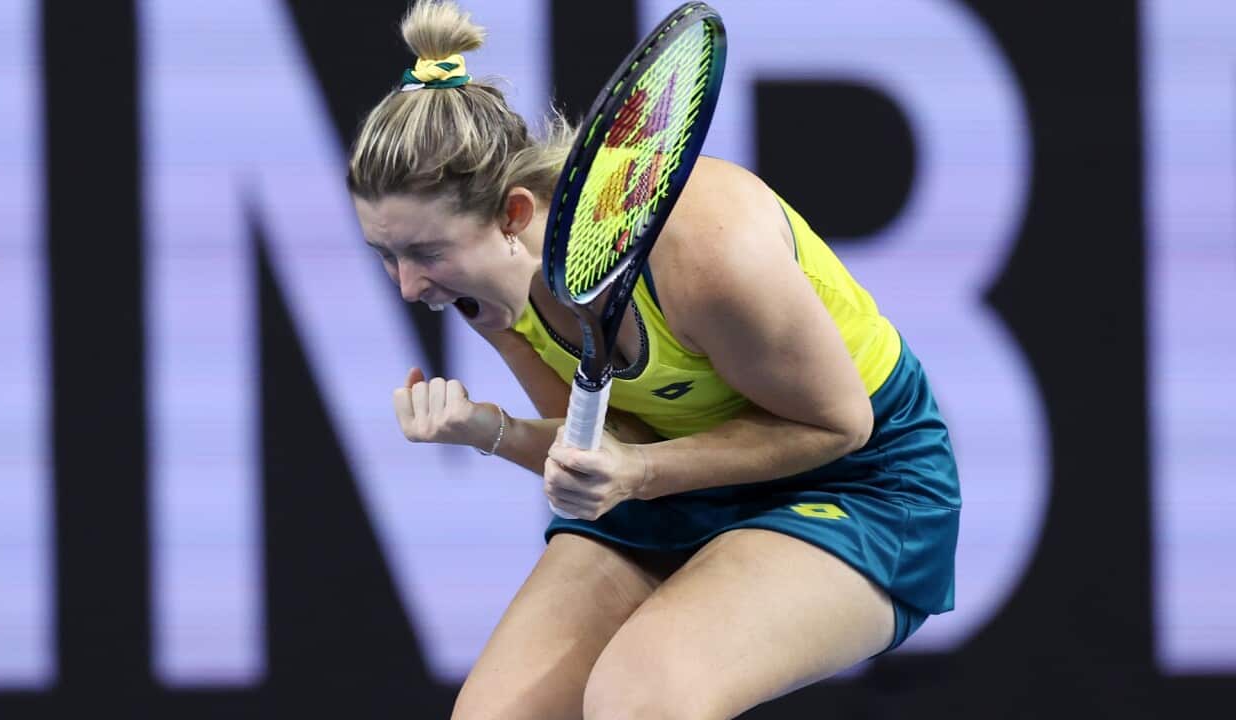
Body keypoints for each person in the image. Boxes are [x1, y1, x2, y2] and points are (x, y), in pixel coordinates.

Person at [348, 2, 960, 718]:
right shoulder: (484, 291)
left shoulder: (705, 250)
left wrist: (639, 473)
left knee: (640, 699)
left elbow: (838, 426)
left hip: (858, 481)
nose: (408, 286)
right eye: (385, 255)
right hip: (671, 485)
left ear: (512, 215)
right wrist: (491, 431)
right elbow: (605, 452)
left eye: (425, 253)